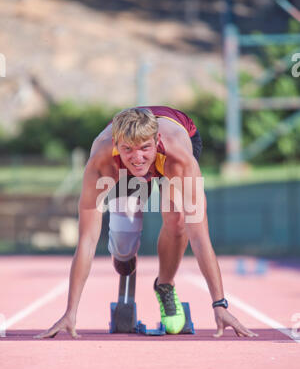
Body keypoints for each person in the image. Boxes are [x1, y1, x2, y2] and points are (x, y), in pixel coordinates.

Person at [35, 106, 258, 339]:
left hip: (175, 146)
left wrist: (219, 305)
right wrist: (71, 312)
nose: (138, 157)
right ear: (116, 144)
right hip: (122, 168)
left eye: (145, 148)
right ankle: (125, 260)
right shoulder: (102, 162)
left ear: (157, 140)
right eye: (128, 149)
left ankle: (165, 285)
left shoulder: (180, 161)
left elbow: (200, 238)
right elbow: (87, 240)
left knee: (178, 219)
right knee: (124, 242)